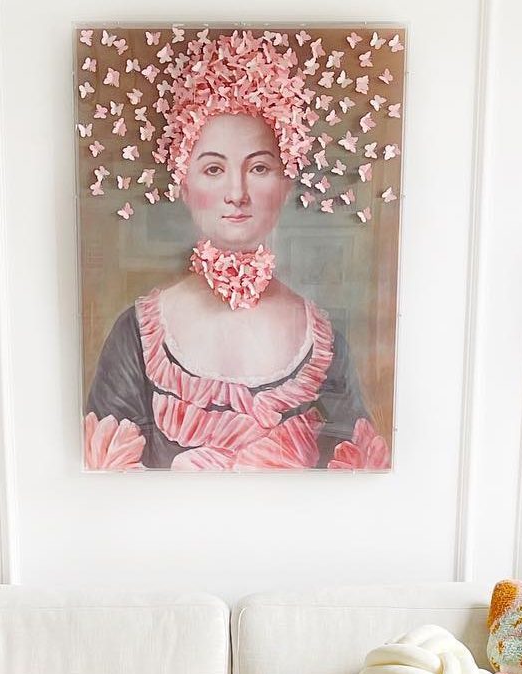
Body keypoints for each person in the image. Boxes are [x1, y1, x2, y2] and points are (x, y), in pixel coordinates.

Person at [83, 30, 390, 472]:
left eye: (259, 168)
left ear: (285, 186)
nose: (236, 193)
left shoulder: (322, 341)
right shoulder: (136, 336)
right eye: (213, 169)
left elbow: (358, 486)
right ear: (184, 185)